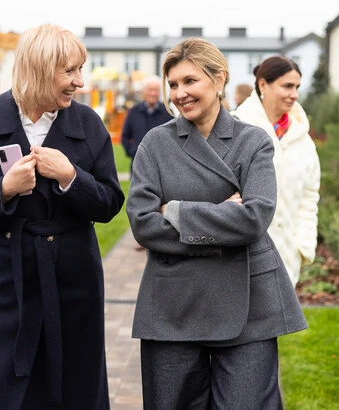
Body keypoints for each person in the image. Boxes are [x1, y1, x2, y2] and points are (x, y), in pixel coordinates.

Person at [0, 23, 124, 410]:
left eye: (80, 70)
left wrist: (71, 178)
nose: (80, 82)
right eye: (70, 71)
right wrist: (3, 190)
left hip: (72, 281)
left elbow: (109, 203)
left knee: (71, 387)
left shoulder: (88, 123)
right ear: (40, 69)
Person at [126, 38, 307, 409]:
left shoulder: (253, 142)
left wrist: (175, 211)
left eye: (190, 81)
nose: (179, 93)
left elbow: (254, 218)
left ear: (218, 79)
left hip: (247, 305)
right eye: (173, 84)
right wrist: (222, 219)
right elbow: (143, 224)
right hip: (172, 305)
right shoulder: (155, 145)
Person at [232, 55, 321, 286]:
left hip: (287, 260)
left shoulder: (303, 139)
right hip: (240, 258)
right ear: (263, 85)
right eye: (287, 86)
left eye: (297, 87)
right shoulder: (236, 129)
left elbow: (310, 197)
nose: (295, 94)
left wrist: (302, 246)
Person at [120, 74, 173, 175]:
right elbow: (125, 136)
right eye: (150, 90)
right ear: (143, 91)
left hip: (162, 166)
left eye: (156, 90)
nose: (153, 93)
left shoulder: (167, 112)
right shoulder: (133, 112)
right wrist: (132, 152)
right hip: (138, 164)